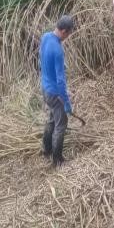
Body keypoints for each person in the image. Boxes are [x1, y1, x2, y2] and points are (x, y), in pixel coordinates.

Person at [40, 15, 75, 167]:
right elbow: (60, 81)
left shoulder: (45, 37)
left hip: (45, 88)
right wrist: (66, 102)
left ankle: (46, 149)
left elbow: (42, 57)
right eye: (69, 33)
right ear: (64, 31)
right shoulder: (58, 51)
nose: (68, 36)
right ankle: (57, 160)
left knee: (52, 119)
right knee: (61, 125)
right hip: (55, 93)